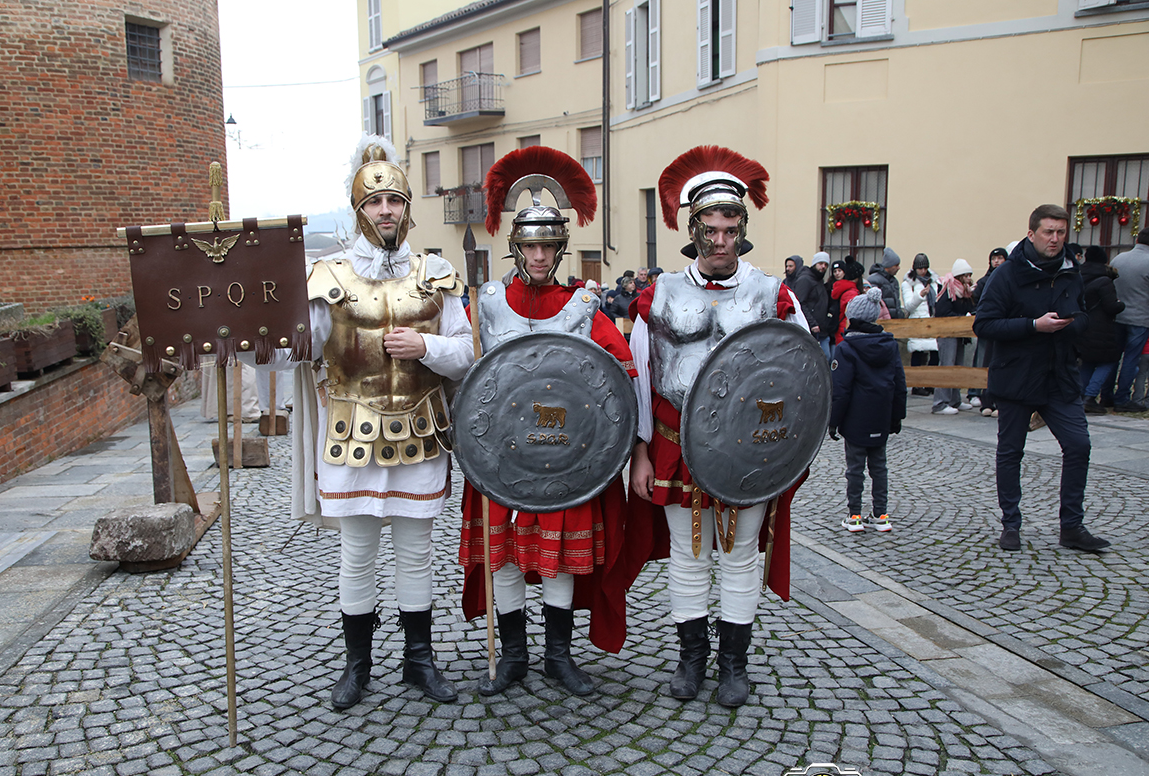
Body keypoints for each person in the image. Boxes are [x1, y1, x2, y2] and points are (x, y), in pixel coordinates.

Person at [291, 135, 475, 709]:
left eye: (394, 200)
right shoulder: (329, 276)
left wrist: (426, 345)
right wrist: (247, 339)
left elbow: (467, 351)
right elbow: (302, 346)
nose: (385, 211)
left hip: (421, 432)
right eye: (374, 203)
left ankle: (418, 662)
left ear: (406, 208)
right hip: (351, 436)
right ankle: (357, 665)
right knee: (357, 553)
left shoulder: (436, 271)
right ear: (358, 210)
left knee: (417, 554)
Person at [624, 146, 807, 708]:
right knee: (687, 552)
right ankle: (690, 659)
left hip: (749, 449)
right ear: (692, 229)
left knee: (741, 552)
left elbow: (803, 378)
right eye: (711, 228)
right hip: (677, 445)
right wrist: (639, 452)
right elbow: (639, 377)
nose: (722, 239)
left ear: (743, 229)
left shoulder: (774, 294)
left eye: (731, 227)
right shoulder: (657, 296)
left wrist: (785, 454)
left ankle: (734, 664)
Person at [457, 146, 635, 697]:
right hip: (497, 458)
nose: (539, 255)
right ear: (516, 246)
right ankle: (512, 655)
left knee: (557, 559)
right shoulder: (485, 304)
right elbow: (461, 372)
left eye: (549, 245)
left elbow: (619, 378)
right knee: (505, 557)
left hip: (566, 457)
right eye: (531, 244)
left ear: (560, 249)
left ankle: (558, 656)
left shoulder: (584, 308)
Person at [973, 203, 1108, 553]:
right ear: (1031, 233)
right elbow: (984, 325)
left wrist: (1073, 323)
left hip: (1059, 376)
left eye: (1061, 232)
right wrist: (1034, 325)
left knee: (1079, 445)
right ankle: (1011, 525)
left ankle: (1072, 526)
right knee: (1010, 452)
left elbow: (1083, 316)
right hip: (1016, 377)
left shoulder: (1069, 271)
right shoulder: (1007, 275)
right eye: (1048, 232)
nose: (1055, 239)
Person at [829, 286, 907, 533]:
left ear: (852, 319)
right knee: (879, 467)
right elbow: (899, 386)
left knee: (855, 469)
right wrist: (896, 418)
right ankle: (881, 514)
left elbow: (840, 390)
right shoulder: (890, 345)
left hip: (855, 420)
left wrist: (832, 421)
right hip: (880, 417)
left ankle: (854, 516)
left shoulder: (846, 348)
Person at [1075, 246, 1124, 415]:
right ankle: (1090, 396)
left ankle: (1080, 395)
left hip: (1082, 325)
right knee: (1108, 361)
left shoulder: (1078, 275)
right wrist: (1121, 304)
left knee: (1087, 361)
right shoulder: (1104, 280)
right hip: (1101, 328)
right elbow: (1111, 307)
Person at [1110, 227, 1149, 412]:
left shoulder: (1119, 258)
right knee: (1131, 359)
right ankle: (1122, 398)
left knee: (1112, 358)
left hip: (1117, 316)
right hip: (1140, 318)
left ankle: (1106, 395)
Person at [932, 259, 976, 415]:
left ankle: (954, 400)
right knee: (947, 365)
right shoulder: (947, 288)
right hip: (947, 332)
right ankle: (940, 403)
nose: (969, 278)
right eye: (967, 275)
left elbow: (972, 308)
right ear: (960, 275)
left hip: (960, 333)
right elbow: (942, 311)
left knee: (957, 366)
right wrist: (962, 316)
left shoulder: (965, 291)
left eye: (970, 275)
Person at [971, 247, 1009, 415]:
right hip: (989, 325)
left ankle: (998, 401)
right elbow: (977, 300)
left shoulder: (1009, 278)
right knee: (985, 362)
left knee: (1001, 362)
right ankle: (986, 400)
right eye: (994, 258)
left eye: (1000, 258)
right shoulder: (984, 280)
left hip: (1004, 325)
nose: (996, 261)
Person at [902, 253, 939, 394]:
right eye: (920, 268)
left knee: (935, 354)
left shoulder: (933, 281)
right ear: (915, 269)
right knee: (917, 354)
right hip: (917, 322)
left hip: (931, 321)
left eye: (925, 268)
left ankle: (930, 383)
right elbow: (909, 307)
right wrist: (921, 295)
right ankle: (917, 386)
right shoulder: (908, 284)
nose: (923, 271)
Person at [791, 253, 829, 348]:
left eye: (826, 264)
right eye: (820, 263)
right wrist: (812, 323)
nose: (823, 267)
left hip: (820, 330)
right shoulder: (806, 279)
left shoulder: (818, 280)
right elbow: (800, 303)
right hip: (810, 330)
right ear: (814, 264)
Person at [830, 257, 865, 344]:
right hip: (846, 332)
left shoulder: (848, 290)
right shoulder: (851, 293)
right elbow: (852, 315)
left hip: (844, 331)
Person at [866, 247, 903, 319]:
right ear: (889, 265)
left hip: (894, 321)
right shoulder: (874, 280)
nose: (899, 268)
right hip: (881, 321)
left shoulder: (893, 281)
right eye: (896, 265)